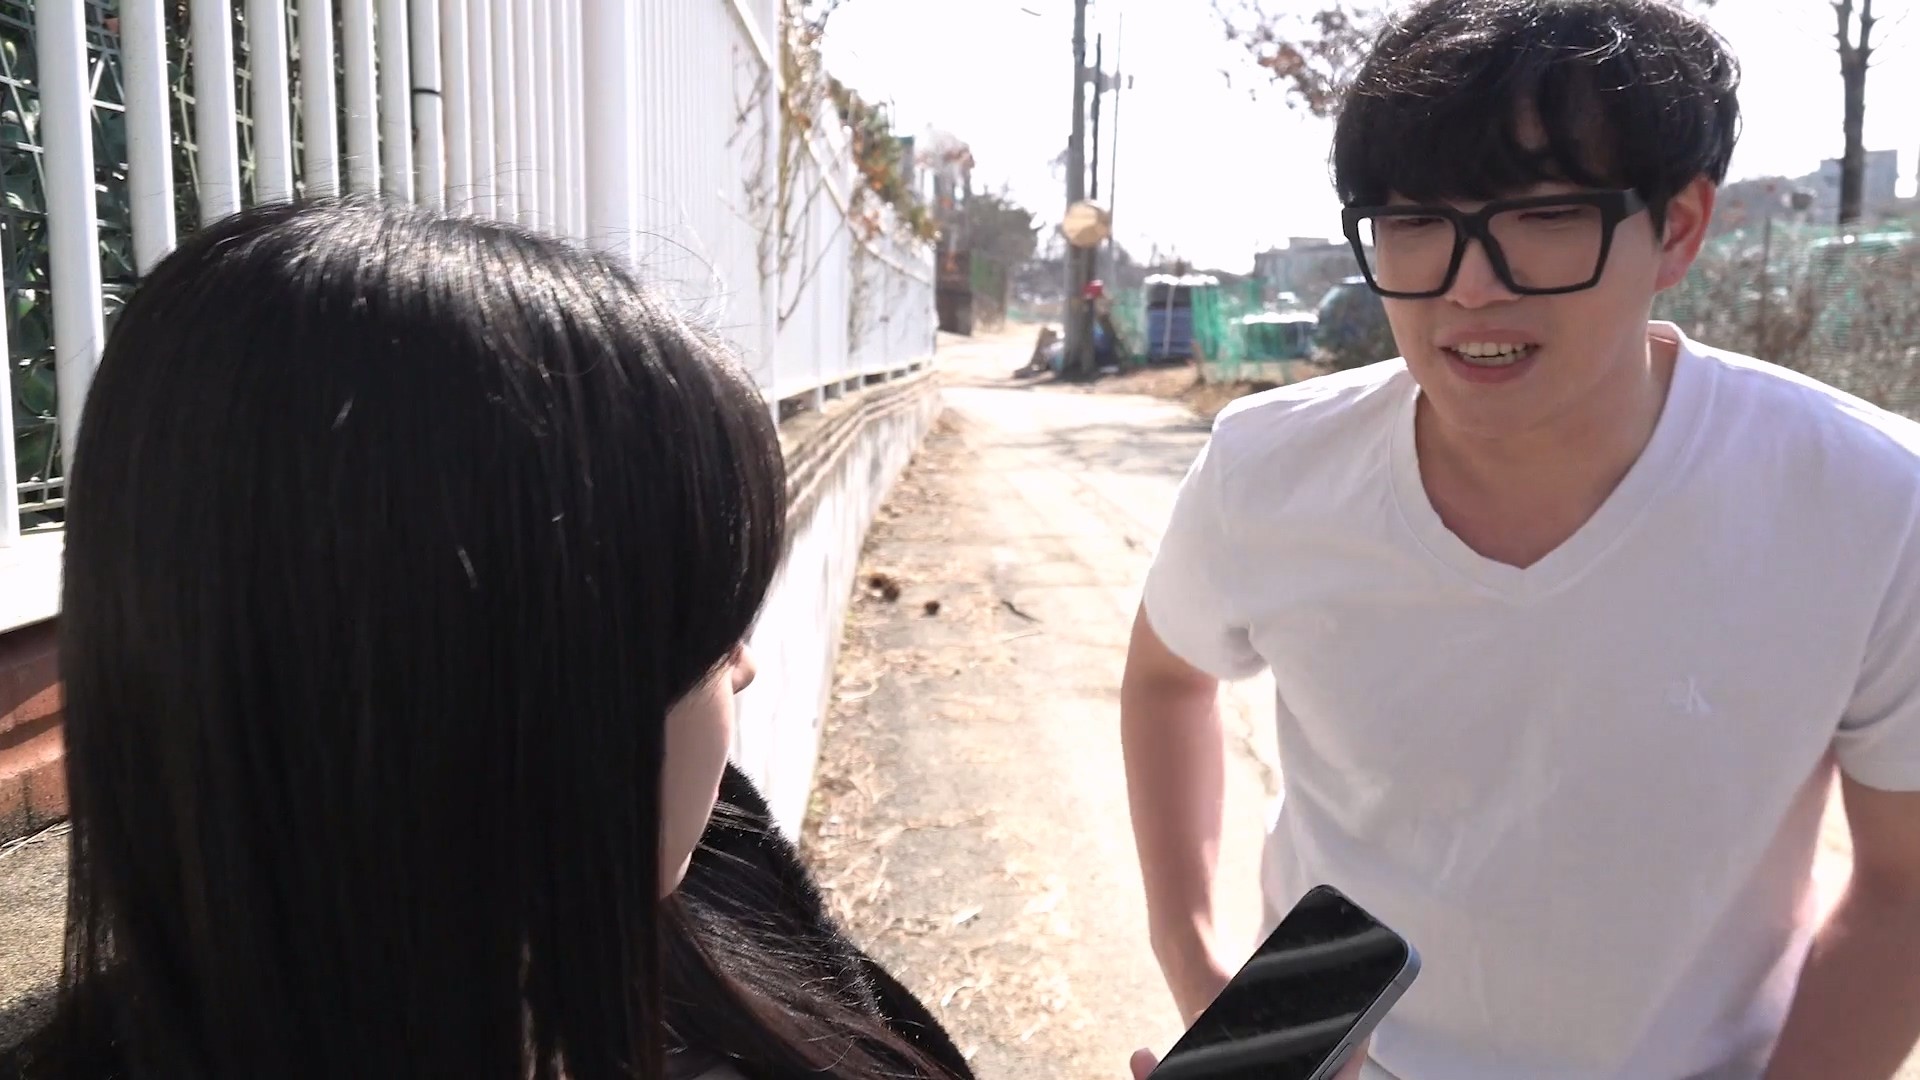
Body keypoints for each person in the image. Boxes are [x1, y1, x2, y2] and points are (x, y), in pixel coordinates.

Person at [1122, 1, 1920, 1078]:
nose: (1469, 284)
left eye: (1544, 215)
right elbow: (1166, 677)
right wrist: (1195, 962)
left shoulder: (1868, 503)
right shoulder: (1268, 466)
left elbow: (1904, 887)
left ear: (1678, 228)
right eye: (1414, 219)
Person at [1, 201, 971, 1080]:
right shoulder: (686, 926)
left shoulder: (715, 888)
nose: (746, 666)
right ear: (496, 693)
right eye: (704, 633)